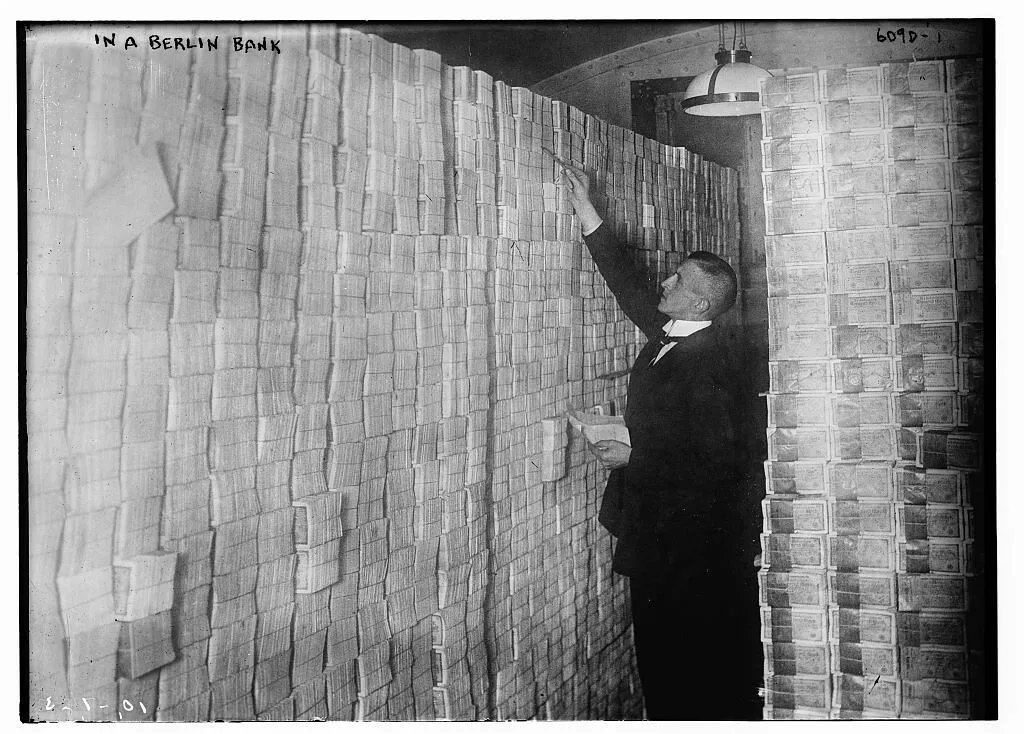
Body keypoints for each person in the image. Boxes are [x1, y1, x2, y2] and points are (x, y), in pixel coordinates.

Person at [560, 162, 762, 721]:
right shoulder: (672, 335)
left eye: (677, 282)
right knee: (657, 657)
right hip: (657, 531)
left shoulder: (714, 364)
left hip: (688, 547)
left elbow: (719, 463)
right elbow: (631, 290)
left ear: (700, 305)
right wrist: (589, 215)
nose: (665, 284)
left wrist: (635, 454)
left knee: (683, 661)